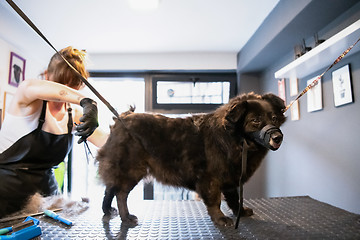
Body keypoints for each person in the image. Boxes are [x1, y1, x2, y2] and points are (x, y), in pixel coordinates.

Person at [0, 46, 108, 217]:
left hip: (47, 202)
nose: (65, 92)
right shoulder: (27, 98)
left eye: (73, 84)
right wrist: (88, 101)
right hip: (4, 199)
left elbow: (107, 142)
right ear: (46, 75)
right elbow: (33, 87)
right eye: (59, 84)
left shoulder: (75, 114)